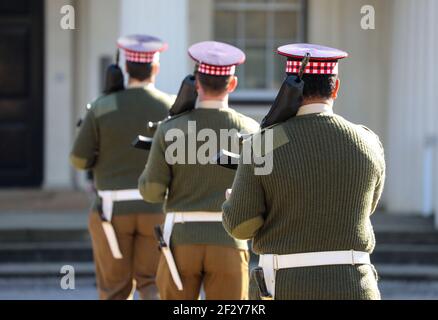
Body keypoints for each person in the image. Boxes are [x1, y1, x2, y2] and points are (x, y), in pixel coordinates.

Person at [222, 43, 386, 300]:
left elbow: (240, 226)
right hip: (356, 285)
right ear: (336, 87)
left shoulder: (263, 144)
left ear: (287, 87)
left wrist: (234, 201)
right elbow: (366, 207)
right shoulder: (368, 141)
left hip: (284, 286)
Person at [138, 41, 259, 300]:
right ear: (233, 84)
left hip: (181, 240)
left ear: (196, 84)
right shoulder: (252, 131)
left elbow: (151, 191)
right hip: (229, 241)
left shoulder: (170, 129)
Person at [70, 34, 174, 300]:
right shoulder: (172, 108)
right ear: (156, 68)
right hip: (156, 209)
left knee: (115, 289)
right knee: (152, 284)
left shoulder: (102, 106)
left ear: (126, 69)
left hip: (111, 211)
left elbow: (79, 160)